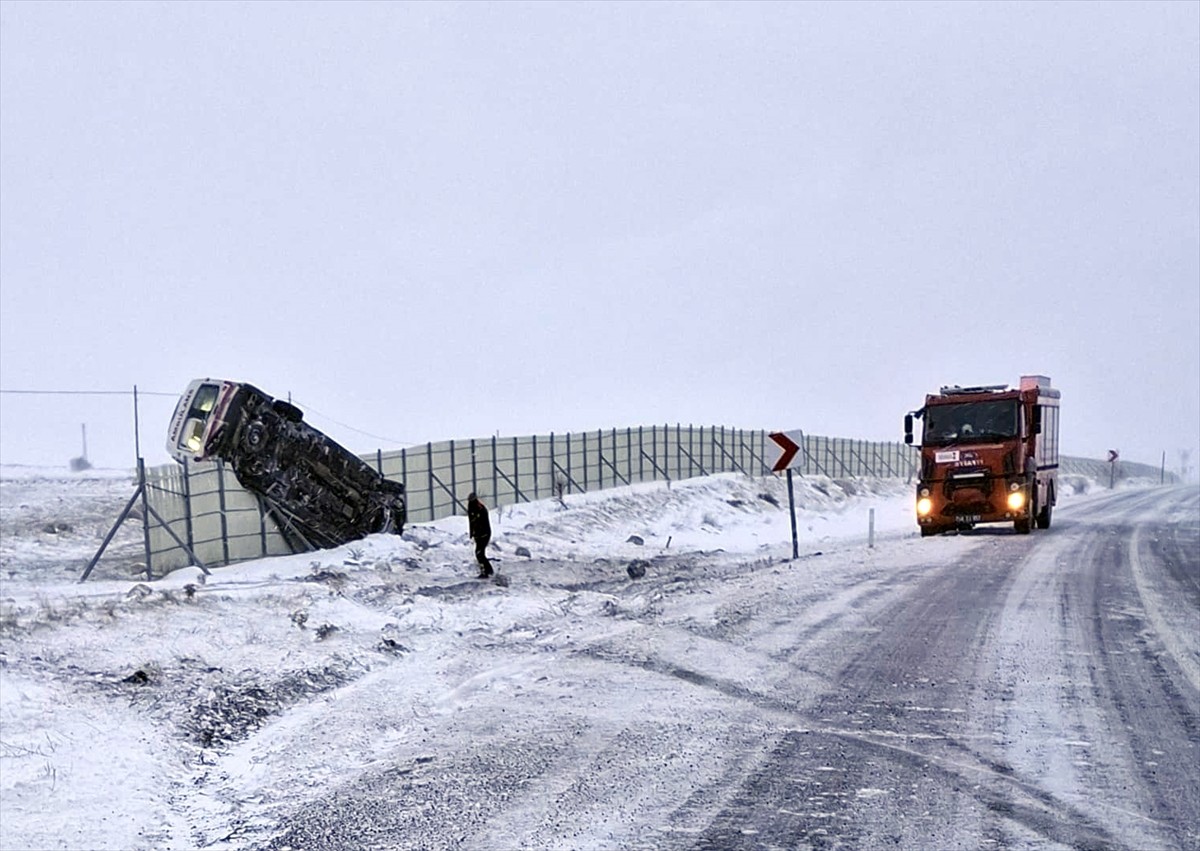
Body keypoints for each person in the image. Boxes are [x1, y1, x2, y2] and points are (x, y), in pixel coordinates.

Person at [466, 492, 493, 578]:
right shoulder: (471, 508)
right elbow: (471, 521)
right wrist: (472, 533)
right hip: (478, 535)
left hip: (484, 534)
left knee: (479, 553)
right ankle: (488, 570)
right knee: (480, 554)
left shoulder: (480, 508)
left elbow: (482, 523)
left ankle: (486, 571)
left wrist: (480, 533)